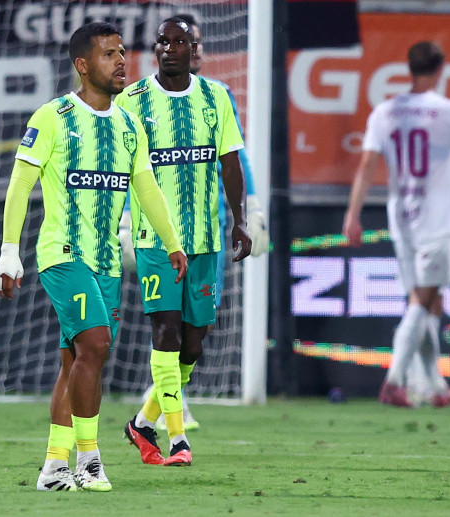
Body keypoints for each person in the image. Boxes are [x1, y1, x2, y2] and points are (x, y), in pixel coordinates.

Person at [0, 22, 187, 491]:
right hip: (62, 254)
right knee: (96, 345)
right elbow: (20, 183)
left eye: (122, 52)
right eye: (108, 54)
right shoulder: (52, 116)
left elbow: (147, 188)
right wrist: (8, 251)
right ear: (83, 65)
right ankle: (89, 460)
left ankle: (53, 467)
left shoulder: (129, 125)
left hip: (106, 262)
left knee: (80, 361)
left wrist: (172, 241)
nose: (121, 61)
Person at [122, 12, 269, 432]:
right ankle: (176, 430)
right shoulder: (133, 99)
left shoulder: (218, 96)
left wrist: (247, 213)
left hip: (207, 233)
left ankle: (148, 414)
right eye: (164, 42)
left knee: (194, 338)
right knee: (165, 329)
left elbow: (234, 159)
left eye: (185, 42)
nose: (174, 49)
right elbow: (122, 163)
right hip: (155, 238)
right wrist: (125, 218)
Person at [343, 41, 450, 408]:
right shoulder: (449, 112)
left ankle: (433, 386)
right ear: (440, 69)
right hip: (436, 221)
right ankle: (394, 381)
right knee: (423, 300)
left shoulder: (385, 112)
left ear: (409, 68)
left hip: (402, 218)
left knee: (428, 300)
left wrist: (352, 214)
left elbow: (367, 166)